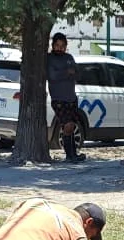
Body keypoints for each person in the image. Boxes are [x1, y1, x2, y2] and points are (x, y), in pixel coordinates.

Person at [48, 32, 86, 163]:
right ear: (52, 45)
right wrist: (66, 72)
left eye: (62, 46)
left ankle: (73, 154)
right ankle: (69, 155)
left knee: (71, 126)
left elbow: (78, 74)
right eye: (57, 45)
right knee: (67, 125)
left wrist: (72, 73)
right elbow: (52, 76)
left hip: (71, 98)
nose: (60, 48)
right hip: (58, 99)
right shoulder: (49, 58)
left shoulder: (69, 57)